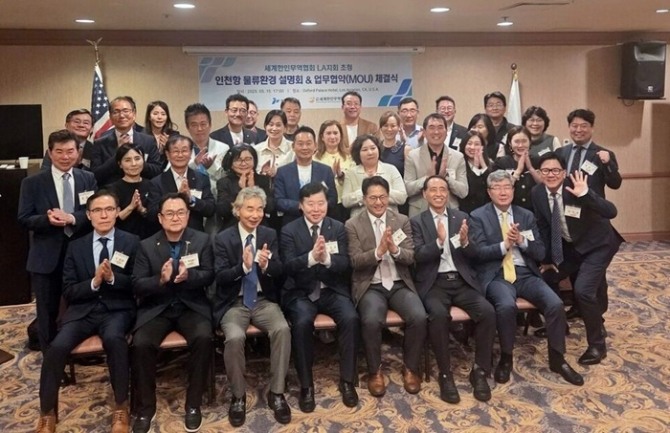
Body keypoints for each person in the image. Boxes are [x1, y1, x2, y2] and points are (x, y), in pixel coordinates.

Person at [35, 190, 140, 433]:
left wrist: (112, 279)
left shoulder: (131, 242)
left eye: (109, 209)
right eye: (97, 210)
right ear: (89, 215)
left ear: (117, 212)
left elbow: (137, 283)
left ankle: (121, 407)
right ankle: (47, 412)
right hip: (82, 310)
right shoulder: (75, 246)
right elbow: (69, 290)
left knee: (115, 340)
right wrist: (94, 282)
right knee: (56, 347)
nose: (104, 215)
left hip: (117, 310)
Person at [469, 170, 583, 386]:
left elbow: (540, 252)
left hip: (525, 274)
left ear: (513, 190)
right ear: (489, 192)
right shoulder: (478, 216)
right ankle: (506, 357)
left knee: (555, 304)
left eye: (507, 187)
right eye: (497, 188)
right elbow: (478, 254)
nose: (503, 192)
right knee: (506, 306)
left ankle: (558, 359)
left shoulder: (526, 216)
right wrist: (504, 245)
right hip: (498, 275)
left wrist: (521, 241)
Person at [131, 192, 215, 433]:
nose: (175, 217)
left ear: (188, 215)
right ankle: (146, 408)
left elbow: (209, 275)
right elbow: (137, 284)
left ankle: (193, 404)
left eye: (180, 212)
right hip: (158, 307)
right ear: (160, 218)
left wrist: (190, 276)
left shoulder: (201, 240)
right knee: (141, 343)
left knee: (204, 338)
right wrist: (160, 279)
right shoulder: (146, 245)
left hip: (191, 305)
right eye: (169, 213)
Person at [410, 176, 495, 404]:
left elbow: (476, 254)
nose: (439, 194)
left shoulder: (462, 217)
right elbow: (417, 255)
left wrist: (466, 242)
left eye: (443, 189)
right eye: (433, 190)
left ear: (448, 193)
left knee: (487, 312)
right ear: (424, 194)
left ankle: (479, 370)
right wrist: (438, 243)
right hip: (434, 283)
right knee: (438, 315)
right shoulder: (417, 221)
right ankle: (445, 374)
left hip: (461, 280)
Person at [531, 152, 622, 365]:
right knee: (547, 277)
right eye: (546, 170)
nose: (551, 174)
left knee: (583, 290)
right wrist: (547, 259)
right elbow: (544, 227)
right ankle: (560, 325)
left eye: (556, 170)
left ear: (564, 172)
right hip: (573, 246)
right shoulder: (538, 193)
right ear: (540, 173)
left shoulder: (577, 185)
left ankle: (597, 345)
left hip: (598, 245)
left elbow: (611, 211)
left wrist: (586, 194)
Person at [213, 187, 291, 427]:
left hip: (263, 299)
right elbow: (220, 276)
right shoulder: (223, 238)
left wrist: (266, 266)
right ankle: (238, 396)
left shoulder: (269, 233)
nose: (255, 214)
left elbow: (280, 270)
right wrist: (244, 268)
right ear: (237, 211)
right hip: (234, 302)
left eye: (259, 209)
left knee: (282, 329)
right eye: (249, 209)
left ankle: (277, 393)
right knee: (235, 337)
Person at [280, 182, 360, 412]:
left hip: (331, 289)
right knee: (302, 322)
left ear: (327, 204)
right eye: (310, 204)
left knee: (351, 318)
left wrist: (326, 260)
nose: (316, 209)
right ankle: (307, 386)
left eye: (320, 203)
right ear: (301, 205)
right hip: (301, 291)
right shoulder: (289, 230)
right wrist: (311, 258)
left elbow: (345, 264)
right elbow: (287, 266)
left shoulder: (338, 227)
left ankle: (347, 381)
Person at [345, 176, 426, 397]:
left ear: (389, 197)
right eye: (373, 198)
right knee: (371, 321)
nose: (378, 202)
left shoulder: (401, 220)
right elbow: (355, 261)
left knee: (419, 316)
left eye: (382, 197)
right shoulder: (353, 224)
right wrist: (378, 252)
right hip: (371, 285)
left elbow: (410, 256)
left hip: (399, 283)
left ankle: (410, 368)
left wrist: (395, 250)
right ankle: (375, 371)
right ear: (364, 199)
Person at [18, 129, 98, 351]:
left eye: (70, 151)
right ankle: (51, 358)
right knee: (47, 312)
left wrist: (72, 218)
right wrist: (47, 219)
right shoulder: (32, 183)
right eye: (59, 151)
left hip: (80, 255)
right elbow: (24, 218)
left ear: (78, 152)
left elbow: (95, 212)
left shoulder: (88, 179)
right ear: (50, 152)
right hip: (46, 258)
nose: (65, 156)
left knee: (82, 307)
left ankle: (82, 353)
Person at [404, 113, 468, 216]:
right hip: (420, 212)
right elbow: (408, 189)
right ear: (424, 132)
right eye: (432, 128)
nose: (436, 132)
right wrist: (427, 178)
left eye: (440, 127)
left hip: (450, 212)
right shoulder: (413, 156)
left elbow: (463, 191)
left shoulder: (458, 157)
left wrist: (446, 178)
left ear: (446, 132)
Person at [91, 96, 163, 186]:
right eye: (116, 112)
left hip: (143, 189)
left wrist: (137, 161)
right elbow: (96, 175)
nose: (121, 115)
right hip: (111, 191)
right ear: (110, 117)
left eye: (125, 111)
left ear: (134, 114)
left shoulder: (148, 140)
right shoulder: (100, 143)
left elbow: (157, 171)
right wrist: (117, 155)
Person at [149, 135, 215, 232]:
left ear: (191, 153)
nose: (180, 155)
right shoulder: (156, 182)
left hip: (195, 235)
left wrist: (191, 199)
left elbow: (210, 209)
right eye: (176, 151)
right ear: (167, 154)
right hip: (166, 235)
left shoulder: (201, 178)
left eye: (184, 151)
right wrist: (176, 197)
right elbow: (151, 214)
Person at [273, 126, 337, 225]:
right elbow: (278, 201)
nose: (305, 147)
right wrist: (302, 206)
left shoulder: (325, 171)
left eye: (308, 143)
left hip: (320, 222)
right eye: (300, 144)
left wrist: (317, 208)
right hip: (291, 223)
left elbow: (332, 199)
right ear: (293, 146)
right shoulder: (283, 172)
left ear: (315, 146)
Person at [555, 109, 622, 199]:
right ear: (569, 127)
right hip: (565, 204)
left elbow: (615, 184)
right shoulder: (560, 152)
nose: (578, 130)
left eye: (584, 126)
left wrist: (608, 163)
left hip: (592, 205)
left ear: (592, 128)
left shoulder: (603, 154)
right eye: (574, 126)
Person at [341, 134, 407, 218]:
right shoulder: (351, 173)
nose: (370, 152)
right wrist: (365, 191)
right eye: (365, 150)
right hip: (360, 219)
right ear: (358, 153)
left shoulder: (391, 169)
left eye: (373, 148)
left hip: (389, 218)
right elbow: (345, 201)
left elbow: (402, 197)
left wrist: (381, 191)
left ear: (378, 149)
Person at [106, 144, 160, 239]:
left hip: (149, 239)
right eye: (128, 160)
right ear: (120, 164)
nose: (134, 164)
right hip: (121, 240)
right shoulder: (111, 189)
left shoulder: (153, 185)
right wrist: (131, 207)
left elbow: (156, 217)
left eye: (137, 159)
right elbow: (110, 219)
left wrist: (141, 209)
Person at [216, 144, 273, 230]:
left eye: (248, 159)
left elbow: (270, 207)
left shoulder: (263, 180)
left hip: (260, 227)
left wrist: (253, 190)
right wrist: (241, 191)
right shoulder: (224, 182)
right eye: (238, 160)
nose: (243, 163)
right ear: (231, 163)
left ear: (254, 161)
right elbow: (222, 211)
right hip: (232, 227)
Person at [491, 126, 544, 211]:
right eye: (516, 141)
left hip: (535, 209)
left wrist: (530, 168)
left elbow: (544, 186)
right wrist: (518, 171)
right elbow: (499, 188)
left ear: (530, 142)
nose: (520, 145)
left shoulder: (539, 161)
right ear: (510, 143)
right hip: (510, 209)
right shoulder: (501, 163)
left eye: (524, 141)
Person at [184, 103, 229, 201]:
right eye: (194, 125)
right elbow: (171, 174)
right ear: (187, 127)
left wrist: (211, 167)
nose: (199, 129)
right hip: (189, 200)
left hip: (216, 199)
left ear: (210, 125)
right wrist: (194, 164)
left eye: (203, 124)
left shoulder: (223, 148)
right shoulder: (181, 149)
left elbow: (227, 179)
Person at [314, 120, 355, 222]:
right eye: (328, 133)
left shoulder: (349, 157)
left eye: (335, 133)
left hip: (346, 204)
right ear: (322, 137)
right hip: (324, 204)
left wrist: (341, 175)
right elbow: (314, 185)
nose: (332, 137)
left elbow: (354, 181)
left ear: (341, 135)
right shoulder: (315, 158)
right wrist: (329, 177)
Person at [458, 131, 492, 214]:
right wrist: (475, 168)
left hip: (486, 211)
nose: (472, 147)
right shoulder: (459, 164)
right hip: (465, 210)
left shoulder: (490, 164)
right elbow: (470, 191)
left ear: (482, 147)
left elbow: (492, 185)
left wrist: (483, 164)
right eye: (469, 144)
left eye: (477, 144)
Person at [253, 110, 294, 178]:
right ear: (265, 126)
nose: (274, 128)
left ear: (285, 128)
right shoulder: (256, 150)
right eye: (271, 125)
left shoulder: (293, 149)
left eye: (278, 125)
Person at [144, 100, 179, 165]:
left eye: (163, 114)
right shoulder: (142, 136)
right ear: (149, 117)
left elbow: (178, 159)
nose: (159, 117)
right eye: (155, 114)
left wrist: (168, 147)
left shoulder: (174, 136)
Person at [378, 111, 407, 178]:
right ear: (381, 128)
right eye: (385, 126)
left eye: (393, 126)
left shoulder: (405, 149)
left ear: (399, 127)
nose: (389, 129)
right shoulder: (376, 148)